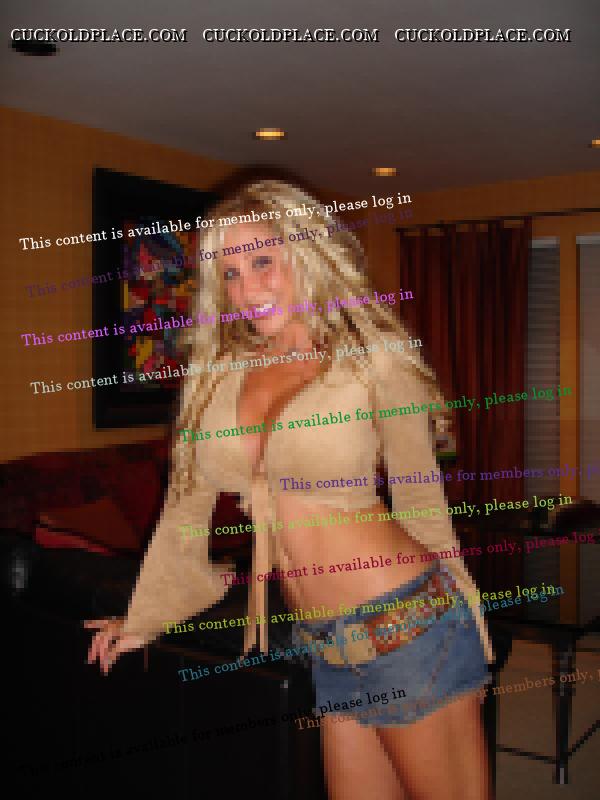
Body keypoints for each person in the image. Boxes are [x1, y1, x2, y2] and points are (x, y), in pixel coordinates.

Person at [87, 176, 492, 800]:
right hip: (323, 641)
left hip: (409, 623)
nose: (247, 288)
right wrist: (146, 617)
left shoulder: (375, 359)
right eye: (229, 273)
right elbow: (185, 504)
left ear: (306, 253)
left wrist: (474, 625)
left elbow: (422, 505)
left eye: (262, 262)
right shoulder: (219, 374)